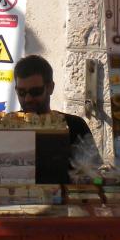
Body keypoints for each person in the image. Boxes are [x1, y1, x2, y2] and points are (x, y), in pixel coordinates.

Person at [13, 54, 99, 182]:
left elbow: (95, 178)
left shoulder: (75, 126)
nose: (28, 99)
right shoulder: (9, 127)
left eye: (35, 92)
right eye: (21, 92)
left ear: (50, 88)